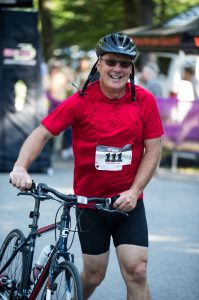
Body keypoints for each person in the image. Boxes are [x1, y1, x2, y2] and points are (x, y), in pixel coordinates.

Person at [10, 32, 164, 300]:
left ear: (131, 68)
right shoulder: (81, 101)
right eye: (111, 62)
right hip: (90, 204)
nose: (118, 69)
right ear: (99, 64)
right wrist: (20, 167)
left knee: (137, 270)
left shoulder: (144, 100)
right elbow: (42, 133)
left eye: (125, 64)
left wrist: (134, 191)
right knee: (94, 275)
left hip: (128, 203)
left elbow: (153, 150)